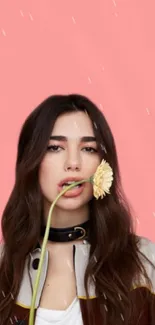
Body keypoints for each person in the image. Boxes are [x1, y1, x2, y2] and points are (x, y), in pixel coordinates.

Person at [0, 94, 154, 325]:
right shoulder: (3, 267)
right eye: (55, 147)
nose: (73, 162)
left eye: (88, 149)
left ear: (104, 163)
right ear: (31, 160)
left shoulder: (145, 261)